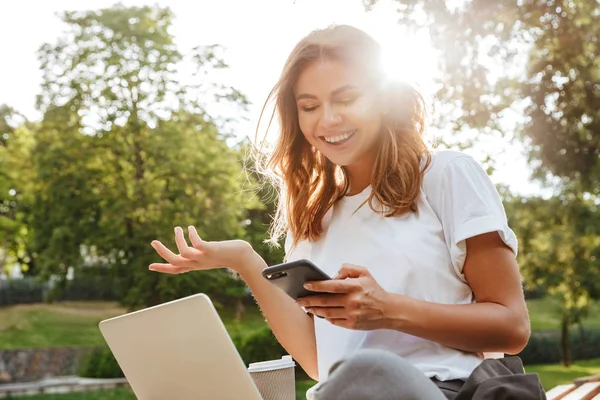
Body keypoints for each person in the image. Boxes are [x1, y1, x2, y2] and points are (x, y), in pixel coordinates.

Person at [148, 25, 545, 399]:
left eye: (346, 98)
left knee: (367, 370)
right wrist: (247, 262)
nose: (328, 119)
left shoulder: (445, 174)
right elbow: (322, 364)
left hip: (443, 389)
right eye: (309, 106)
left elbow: (512, 327)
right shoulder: (312, 220)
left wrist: (388, 310)